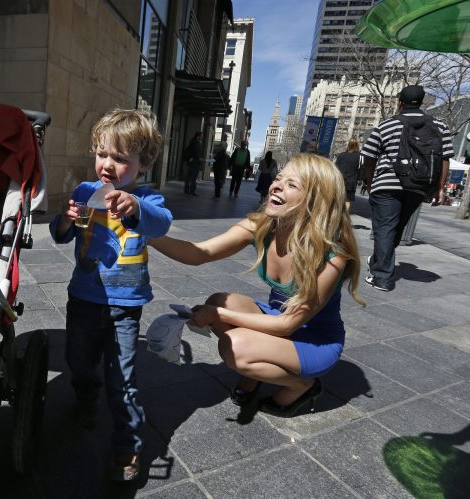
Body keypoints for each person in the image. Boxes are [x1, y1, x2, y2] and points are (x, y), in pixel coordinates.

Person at [150, 153, 364, 417]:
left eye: (292, 184)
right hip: (277, 321)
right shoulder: (261, 226)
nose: (276, 186)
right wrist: (147, 235)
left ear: (315, 201)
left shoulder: (332, 256)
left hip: (315, 341)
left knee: (235, 347)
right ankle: (255, 375)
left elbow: (288, 324)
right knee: (219, 300)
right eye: (278, 178)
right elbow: (199, 253)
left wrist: (217, 316)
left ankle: (302, 384)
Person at [49, 109, 172, 481]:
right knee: (80, 361)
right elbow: (60, 235)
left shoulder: (149, 200)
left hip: (125, 306)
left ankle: (127, 445)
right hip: (84, 297)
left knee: (123, 379)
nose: (108, 164)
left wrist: (134, 206)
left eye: (121, 159)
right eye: (103, 154)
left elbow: (160, 223)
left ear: (142, 165)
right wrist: (67, 218)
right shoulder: (86, 192)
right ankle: (86, 398)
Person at [361, 85, 453, 292]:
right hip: (418, 186)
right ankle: (378, 261)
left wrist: (369, 181)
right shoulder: (440, 127)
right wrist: (440, 188)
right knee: (396, 227)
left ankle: (381, 277)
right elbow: (444, 159)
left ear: (400, 102)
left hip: (387, 184)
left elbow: (369, 155)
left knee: (385, 228)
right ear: (422, 103)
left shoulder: (386, 125)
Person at [335, 138, 361, 212]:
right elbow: (361, 169)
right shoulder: (359, 156)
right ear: (357, 145)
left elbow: (336, 168)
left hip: (340, 180)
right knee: (347, 201)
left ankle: (336, 216)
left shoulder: (341, 155)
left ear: (348, 145)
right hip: (351, 181)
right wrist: (360, 179)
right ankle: (343, 217)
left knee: (338, 199)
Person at [183, 131, 203, 196]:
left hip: (191, 163)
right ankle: (192, 191)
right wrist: (200, 160)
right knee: (193, 178)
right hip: (195, 163)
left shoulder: (192, 142)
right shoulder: (197, 144)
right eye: (201, 136)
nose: (202, 137)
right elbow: (197, 155)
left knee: (188, 177)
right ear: (198, 136)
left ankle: (186, 190)